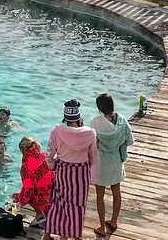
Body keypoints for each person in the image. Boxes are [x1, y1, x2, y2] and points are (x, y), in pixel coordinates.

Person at [43, 99, 96, 240]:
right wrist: (88, 167)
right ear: (79, 118)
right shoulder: (90, 134)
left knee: (58, 202)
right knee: (78, 206)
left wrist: (53, 165)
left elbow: (49, 154)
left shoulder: (56, 132)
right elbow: (93, 157)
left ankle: (57, 234)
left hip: (63, 170)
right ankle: (74, 234)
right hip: (81, 172)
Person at [91, 93, 133, 236]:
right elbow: (130, 140)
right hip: (116, 161)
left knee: (100, 195)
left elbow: (92, 144)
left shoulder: (95, 122)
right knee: (116, 191)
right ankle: (114, 220)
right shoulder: (122, 120)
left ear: (99, 108)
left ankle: (102, 226)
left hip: (101, 163)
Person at [14, 136, 54, 224]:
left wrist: (19, 197)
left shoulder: (26, 165)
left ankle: (40, 214)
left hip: (43, 194)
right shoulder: (40, 155)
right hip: (52, 187)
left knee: (24, 196)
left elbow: (28, 188)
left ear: (23, 149)